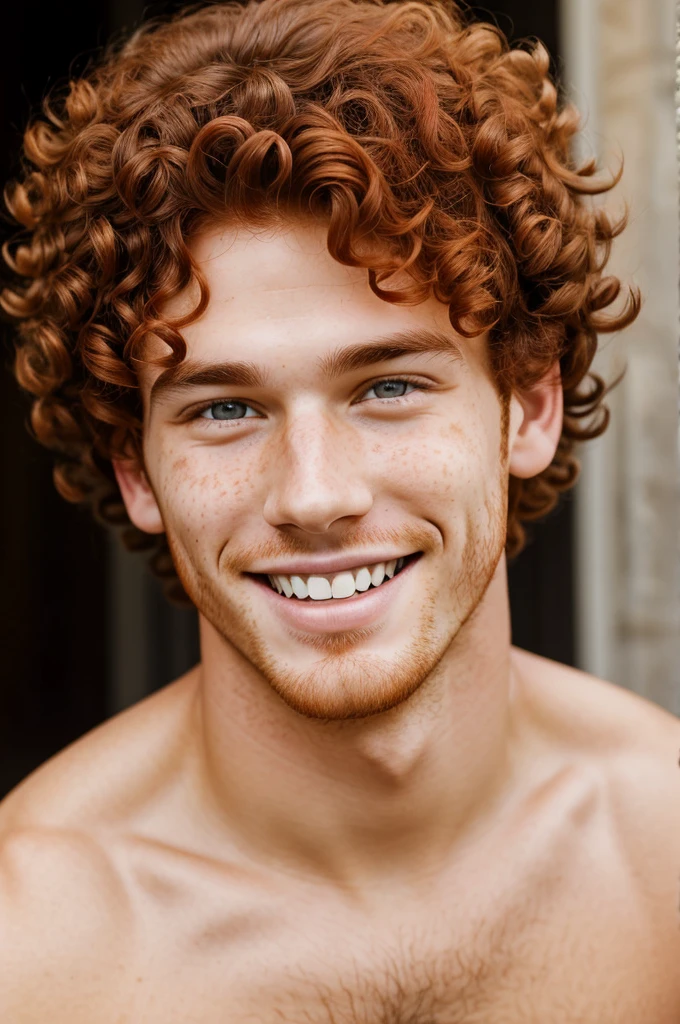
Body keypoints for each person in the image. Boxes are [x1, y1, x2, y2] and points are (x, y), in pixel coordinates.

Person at [1, 0, 678, 1019]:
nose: (313, 494)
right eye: (225, 408)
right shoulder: (33, 947)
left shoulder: (662, 853)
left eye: (386, 387)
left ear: (525, 407)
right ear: (136, 471)